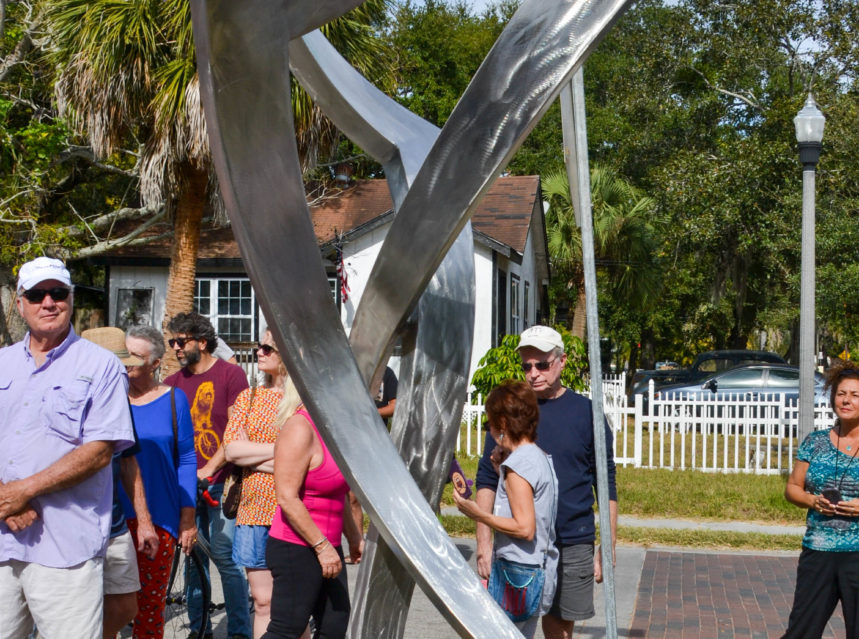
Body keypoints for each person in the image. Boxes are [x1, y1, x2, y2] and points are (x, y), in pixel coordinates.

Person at [0, 257, 135, 639]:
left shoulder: (102, 366)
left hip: (65, 548)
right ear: (20, 304)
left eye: (57, 293)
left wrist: (22, 491)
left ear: (71, 299)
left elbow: (100, 450)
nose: (48, 302)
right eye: (37, 295)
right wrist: (5, 498)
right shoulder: (2, 363)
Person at [475, 325, 618, 639]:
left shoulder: (586, 414)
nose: (533, 373)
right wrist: (484, 543)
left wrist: (607, 547)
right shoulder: (510, 412)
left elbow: (606, 482)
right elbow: (486, 477)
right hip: (517, 549)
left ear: (562, 361)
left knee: (559, 631)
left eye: (542, 364)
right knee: (509, 630)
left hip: (571, 540)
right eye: (527, 366)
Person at [164, 312, 251, 639]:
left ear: (202, 341)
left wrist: (208, 469)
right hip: (186, 487)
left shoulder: (231, 374)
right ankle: (199, 629)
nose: (175, 347)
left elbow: (236, 432)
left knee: (227, 559)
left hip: (222, 483)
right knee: (192, 558)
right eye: (172, 342)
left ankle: (239, 632)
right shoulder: (172, 383)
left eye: (181, 341)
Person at [454, 381, 558, 638]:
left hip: (518, 575)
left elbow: (524, 528)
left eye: (490, 423)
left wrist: (479, 514)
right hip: (534, 571)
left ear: (502, 423)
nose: (489, 429)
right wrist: (500, 472)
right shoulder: (537, 456)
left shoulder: (519, 466)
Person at [262, 386, 363, 639]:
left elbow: (336, 492)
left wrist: (353, 537)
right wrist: (322, 547)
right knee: (287, 630)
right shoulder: (299, 428)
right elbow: (286, 497)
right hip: (296, 546)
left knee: (334, 626)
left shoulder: (332, 429)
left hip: (328, 544)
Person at [80, 326, 161, 639]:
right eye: (119, 365)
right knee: (78, 609)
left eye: (126, 365)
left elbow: (128, 460)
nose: (124, 372)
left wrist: (144, 521)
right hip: (72, 523)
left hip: (112, 522)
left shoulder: (117, 400)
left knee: (126, 606)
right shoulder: (69, 397)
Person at [122, 324, 198, 639]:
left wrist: (188, 519)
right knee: (106, 605)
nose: (126, 362)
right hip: (111, 517)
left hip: (159, 519)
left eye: (135, 356)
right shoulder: (110, 397)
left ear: (155, 363)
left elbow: (187, 459)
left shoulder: (173, 399)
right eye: (124, 353)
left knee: (150, 607)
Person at [782, 360, 859, 638]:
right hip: (818, 551)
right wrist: (813, 501)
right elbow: (793, 488)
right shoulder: (815, 442)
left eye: (855, 395)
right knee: (802, 631)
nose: (846, 400)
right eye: (841, 394)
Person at [223, 332, 289, 638]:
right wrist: (283, 452)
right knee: (263, 602)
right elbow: (232, 451)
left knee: (291, 604)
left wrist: (252, 456)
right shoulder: (248, 398)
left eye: (266, 348)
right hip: (253, 511)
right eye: (257, 347)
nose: (258, 352)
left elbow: (308, 460)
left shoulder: (302, 401)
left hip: (292, 510)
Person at [346, 365, 398, 542]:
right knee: (352, 497)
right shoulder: (350, 370)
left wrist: (369, 413)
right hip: (351, 441)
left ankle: (384, 543)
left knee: (381, 496)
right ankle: (357, 545)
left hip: (376, 443)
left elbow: (395, 406)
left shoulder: (386, 372)